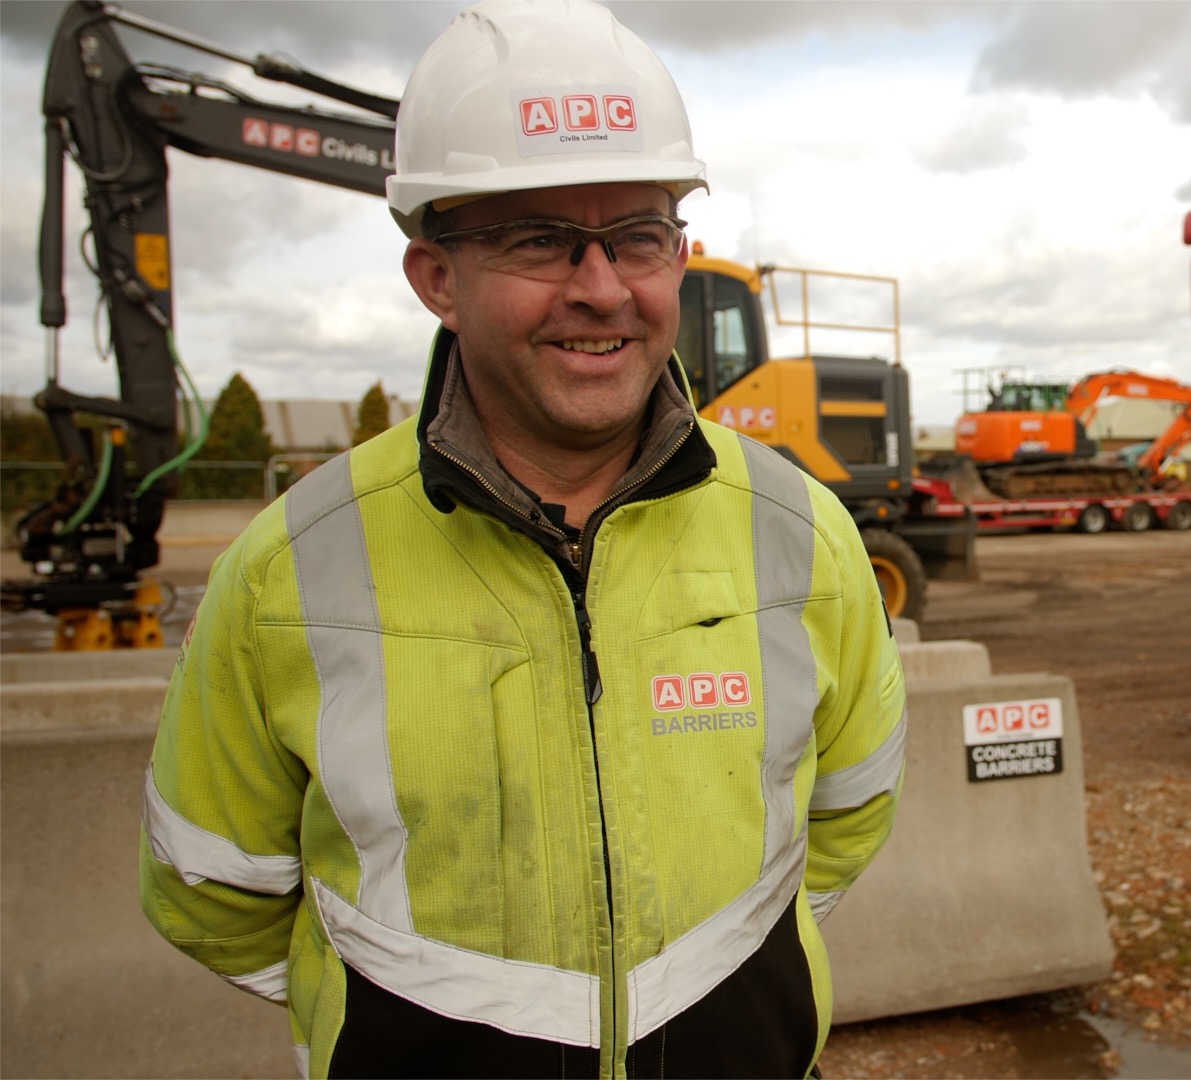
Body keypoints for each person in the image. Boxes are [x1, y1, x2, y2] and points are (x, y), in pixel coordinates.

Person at [137, 2, 907, 1076]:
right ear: (437, 278)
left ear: (678, 255)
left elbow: (848, 818)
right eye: (539, 238)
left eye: (637, 236)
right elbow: (210, 894)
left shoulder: (801, 533)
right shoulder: (288, 571)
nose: (601, 288)